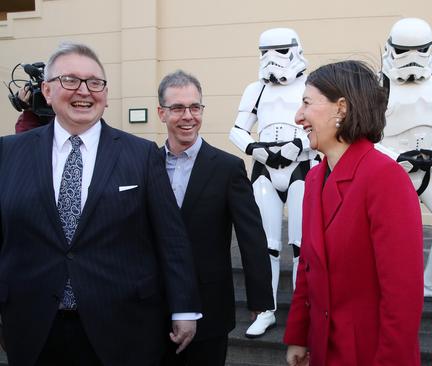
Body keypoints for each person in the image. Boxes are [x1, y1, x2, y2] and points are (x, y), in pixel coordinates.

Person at [0, 42, 201, 365]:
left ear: (105, 96)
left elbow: (171, 237)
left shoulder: (140, 154)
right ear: (47, 91)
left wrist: (184, 308)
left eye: (95, 82)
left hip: (123, 327)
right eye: (71, 80)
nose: (85, 91)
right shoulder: (9, 153)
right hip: (33, 326)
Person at [284, 60, 424, 366]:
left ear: (342, 108)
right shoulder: (313, 178)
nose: (298, 117)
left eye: (306, 103)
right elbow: (308, 267)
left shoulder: (386, 178)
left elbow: (403, 298)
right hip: (323, 349)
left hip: (370, 354)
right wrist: (298, 333)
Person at [157, 70, 274, 366]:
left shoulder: (227, 168)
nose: (188, 116)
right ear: (161, 113)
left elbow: (251, 235)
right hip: (153, 305)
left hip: (209, 305)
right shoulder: (145, 164)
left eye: (195, 107)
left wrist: (259, 298)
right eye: (178, 108)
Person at [229, 27, 319, 337]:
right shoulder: (256, 89)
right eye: (264, 52)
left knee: (301, 245)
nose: (271, 59)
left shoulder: (311, 86)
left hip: (299, 168)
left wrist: (301, 145)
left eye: (279, 51)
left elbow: (322, 126)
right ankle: (265, 310)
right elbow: (238, 129)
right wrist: (255, 149)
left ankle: (301, 311)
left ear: (295, 49)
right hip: (265, 169)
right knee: (265, 245)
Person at [375, 17, 432, 304]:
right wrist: (396, 158)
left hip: (431, 166)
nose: (411, 58)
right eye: (403, 50)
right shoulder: (378, 82)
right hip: (392, 171)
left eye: (419, 49)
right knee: (389, 238)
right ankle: (386, 290)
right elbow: (367, 136)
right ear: (390, 48)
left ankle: (430, 283)